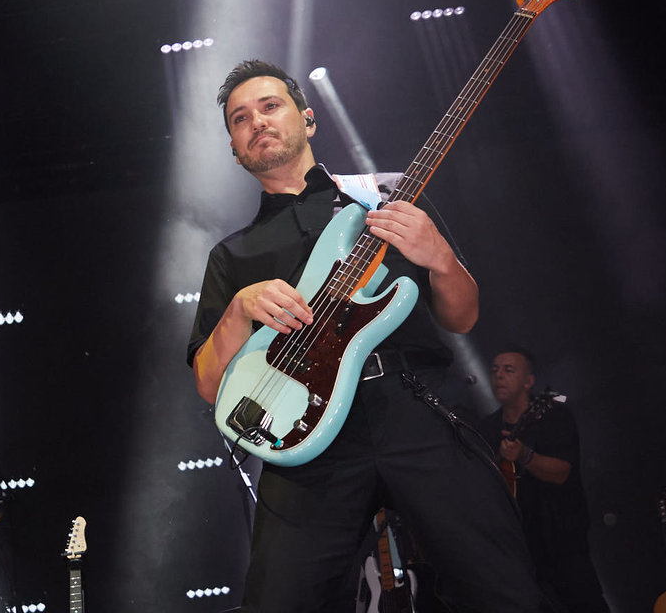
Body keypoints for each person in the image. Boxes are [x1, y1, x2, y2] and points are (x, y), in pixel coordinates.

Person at [187, 60, 541, 612]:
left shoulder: (388, 194)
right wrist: (239, 309)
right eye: (239, 118)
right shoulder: (232, 256)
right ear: (234, 149)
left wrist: (441, 258)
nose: (256, 120)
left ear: (308, 119)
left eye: (270, 105)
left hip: (414, 406)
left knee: (502, 588)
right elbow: (210, 385)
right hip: (303, 438)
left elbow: (464, 318)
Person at [477, 349, 610, 612]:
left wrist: (524, 455)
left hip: (562, 539)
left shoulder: (554, 416)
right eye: (494, 370)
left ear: (529, 381)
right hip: (517, 547)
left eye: (508, 370)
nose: (499, 376)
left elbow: (562, 472)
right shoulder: (487, 429)